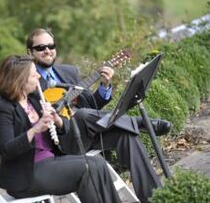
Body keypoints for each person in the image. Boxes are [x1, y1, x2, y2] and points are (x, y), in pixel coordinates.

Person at [26, 28, 172, 203]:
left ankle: (156, 198)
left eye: (51, 45)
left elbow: (91, 106)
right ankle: (139, 122)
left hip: (86, 134)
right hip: (60, 143)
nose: (48, 50)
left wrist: (104, 85)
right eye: (41, 47)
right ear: (30, 52)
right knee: (80, 116)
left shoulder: (69, 71)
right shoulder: (28, 83)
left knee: (127, 136)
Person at [0, 55, 121, 203]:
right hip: (26, 175)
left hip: (50, 160)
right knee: (87, 169)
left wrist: (56, 120)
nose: (38, 75)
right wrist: (35, 129)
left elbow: (61, 127)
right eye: (33, 74)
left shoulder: (34, 97)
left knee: (98, 163)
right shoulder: (1, 109)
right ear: (20, 81)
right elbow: (6, 150)